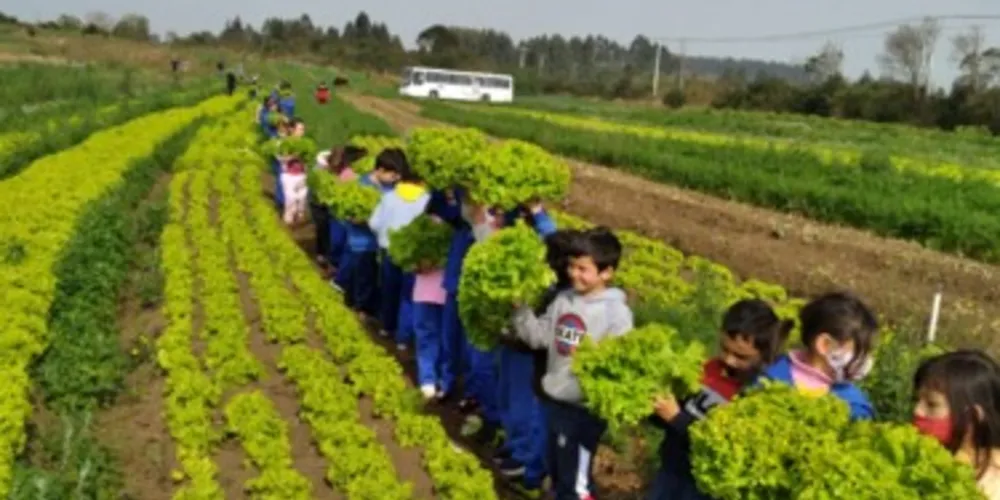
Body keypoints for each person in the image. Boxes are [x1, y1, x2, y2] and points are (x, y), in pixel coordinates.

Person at [507, 226, 633, 500]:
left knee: (576, 482)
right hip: (556, 400)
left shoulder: (616, 314)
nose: (574, 274)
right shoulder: (563, 300)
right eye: (572, 266)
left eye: (583, 269)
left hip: (583, 411)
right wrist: (521, 312)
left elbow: (619, 367)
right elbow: (539, 338)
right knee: (558, 472)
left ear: (606, 273)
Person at [647, 299, 793, 500]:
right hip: (671, 469)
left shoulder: (756, 393)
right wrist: (656, 410)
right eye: (725, 349)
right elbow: (678, 409)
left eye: (741, 357)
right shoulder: (708, 368)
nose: (729, 360)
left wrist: (676, 419)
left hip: (706, 487)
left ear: (763, 355)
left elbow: (728, 444)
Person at [498, 228, 581, 497]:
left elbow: (540, 338)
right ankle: (527, 464)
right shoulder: (555, 292)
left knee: (542, 426)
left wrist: (519, 317)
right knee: (536, 419)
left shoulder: (564, 299)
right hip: (542, 371)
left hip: (551, 373)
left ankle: (531, 471)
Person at [760, 291, 877, 420]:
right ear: (825, 344)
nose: (865, 359)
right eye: (859, 351)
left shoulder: (855, 406)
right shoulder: (768, 381)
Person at [913, 350, 1000, 500]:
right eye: (915, 400)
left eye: (932, 404)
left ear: (972, 418)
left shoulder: (991, 488)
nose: (917, 411)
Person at [368, 149, 430, 352]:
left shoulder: (389, 197)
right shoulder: (425, 201)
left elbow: (374, 223)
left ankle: (386, 327)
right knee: (408, 296)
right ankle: (403, 338)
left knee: (389, 290)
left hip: (389, 251)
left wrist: (383, 236)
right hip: (412, 256)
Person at [334, 151, 400, 318]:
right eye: (393, 175)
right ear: (380, 170)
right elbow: (347, 213)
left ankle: (363, 306)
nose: (396, 178)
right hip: (361, 242)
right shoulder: (361, 185)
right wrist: (360, 219)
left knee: (370, 277)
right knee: (362, 277)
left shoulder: (390, 188)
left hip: (379, 243)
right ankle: (360, 309)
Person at [410, 215, 449, 400]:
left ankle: (441, 379)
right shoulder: (419, 223)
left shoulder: (457, 223)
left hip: (446, 292)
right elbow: (406, 257)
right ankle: (428, 379)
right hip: (425, 291)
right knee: (427, 336)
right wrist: (417, 263)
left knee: (444, 339)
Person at [312, 146, 366, 273]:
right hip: (332, 212)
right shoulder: (324, 171)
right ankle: (332, 263)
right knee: (332, 238)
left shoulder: (349, 175)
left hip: (342, 215)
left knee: (339, 240)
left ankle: (337, 266)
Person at [281, 157, 308, 226]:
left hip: (301, 186)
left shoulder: (303, 176)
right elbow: (289, 192)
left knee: (301, 203)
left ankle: (300, 218)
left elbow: (304, 189)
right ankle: (289, 220)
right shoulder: (286, 177)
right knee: (291, 203)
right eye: (294, 168)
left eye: (298, 168)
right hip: (290, 187)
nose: (296, 169)